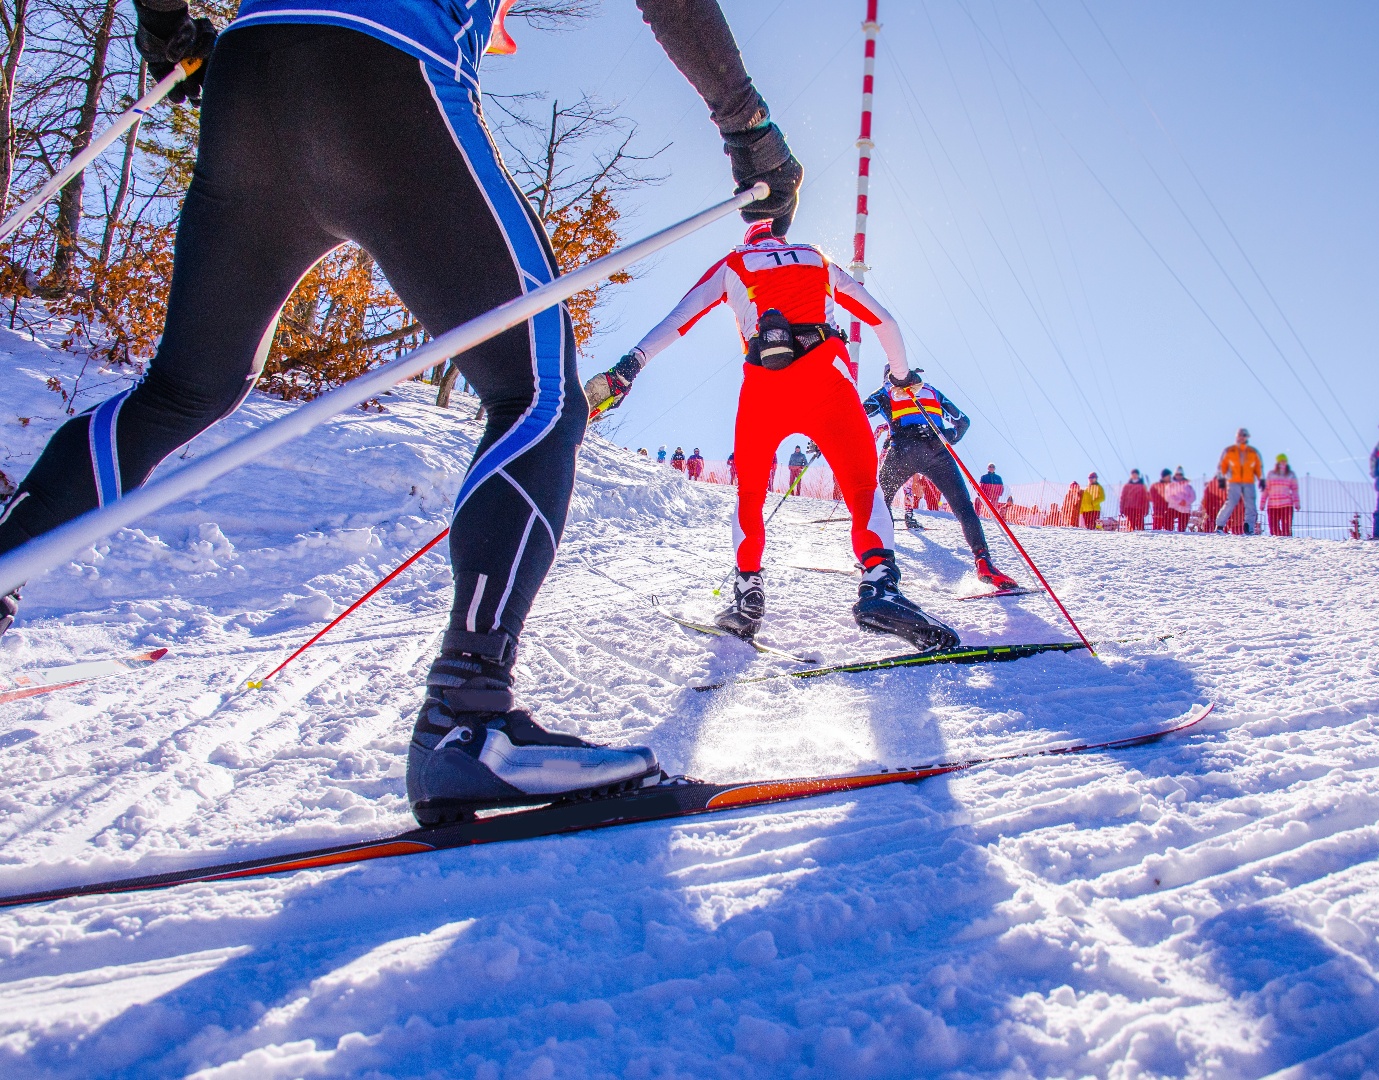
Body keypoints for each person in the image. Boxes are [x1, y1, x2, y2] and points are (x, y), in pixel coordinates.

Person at [0, 0, 803, 822]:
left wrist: (168, 19)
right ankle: (469, 716)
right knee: (539, 392)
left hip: (251, 69)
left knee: (180, 391)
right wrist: (747, 124)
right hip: (382, 64)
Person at [588, 219, 958, 650]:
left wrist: (628, 368)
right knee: (863, 488)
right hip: (829, 384)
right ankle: (879, 586)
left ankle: (748, 600)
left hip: (766, 388)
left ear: (751, 240)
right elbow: (885, 323)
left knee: (751, 494)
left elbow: (679, 319)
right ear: (781, 237)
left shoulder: (735, 262)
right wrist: (899, 377)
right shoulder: (819, 258)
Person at [863, 369, 1020, 591]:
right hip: (937, 449)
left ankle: (881, 562)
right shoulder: (931, 391)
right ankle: (984, 561)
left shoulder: (885, 391)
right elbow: (963, 422)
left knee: (881, 501)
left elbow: (858, 413)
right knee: (964, 508)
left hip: (903, 450)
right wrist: (947, 437)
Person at [1214, 428, 1263, 535]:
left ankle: (1249, 527)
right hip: (1234, 481)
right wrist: (1221, 477)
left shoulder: (1252, 452)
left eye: (1244, 435)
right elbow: (1222, 465)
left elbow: (1258, 467)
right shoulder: (1230, 450)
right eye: (1240, 435)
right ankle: (1219, 525)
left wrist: (1261, 478)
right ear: (1237, 436)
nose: (1242, 437)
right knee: (1231, 502)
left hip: (1248, 481)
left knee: (1251, 504)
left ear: (1247, 437)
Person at [1261, 453, 1299, 537]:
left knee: (1286, 530)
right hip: (1272, 506)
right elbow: (1266, 490)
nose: (1283, 463)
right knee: (1274, 530)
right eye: (1281, 461)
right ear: (1277, 462)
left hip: (1286, 505)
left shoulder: (1290, 474)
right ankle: (1278, 548)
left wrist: (1297, 503)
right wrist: (1262, 503)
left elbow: (1294, 490)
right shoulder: (1271, 474)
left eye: (1284, 461)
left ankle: (1287, 547)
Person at [1167, 467, 1195, 532]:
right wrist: (1178, 501)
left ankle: (1181, 533)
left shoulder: (1188, 486)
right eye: (1177, 474)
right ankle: (1169, 532)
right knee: (1168, 518)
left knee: (1182, 527)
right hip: (1174, 507)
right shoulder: (1171, 486)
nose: (1179, 476)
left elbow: (1192, 496)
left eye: (1180, 474)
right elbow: (1168, 496)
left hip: (1185, 508)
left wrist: (1185, 502)